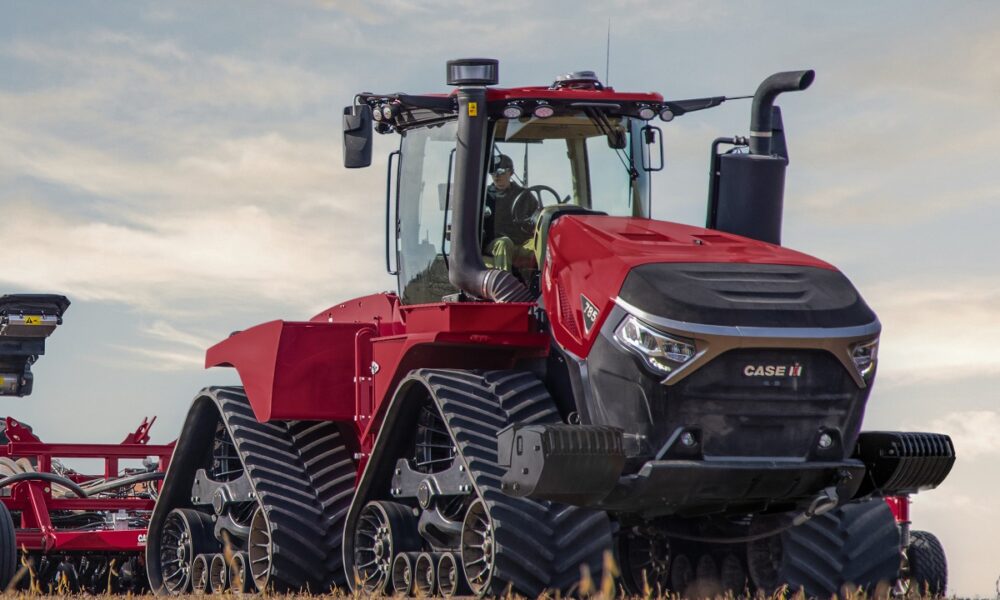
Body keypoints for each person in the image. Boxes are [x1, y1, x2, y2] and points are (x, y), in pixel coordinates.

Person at [484, 154, 535, 272]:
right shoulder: (484, 196)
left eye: (501, 171)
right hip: (495, 242)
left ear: (511, 173)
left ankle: (547, 284)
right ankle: (504, 286)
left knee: (543, 242)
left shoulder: (525, 195)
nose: (497, 176)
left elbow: (536, 215)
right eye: (493, 172)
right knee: (504, 243)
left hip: (522, 242)